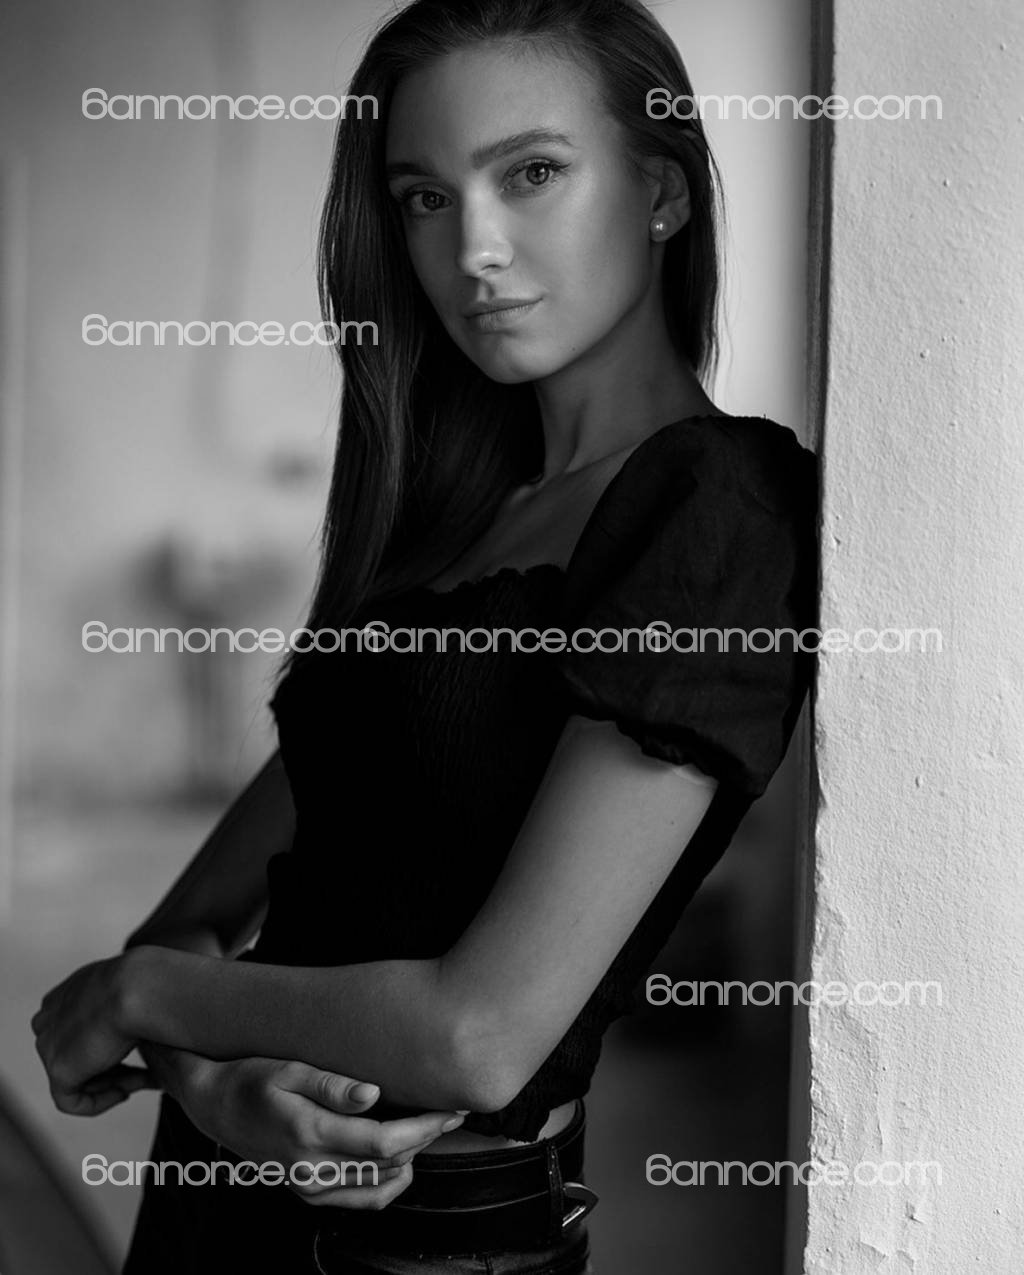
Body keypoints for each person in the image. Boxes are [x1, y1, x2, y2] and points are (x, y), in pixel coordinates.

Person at [31, 0, 818, 1270]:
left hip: (422, 1242)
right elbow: (196, 918)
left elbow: (480, 1036)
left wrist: (137, 1002)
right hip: (217, 1199)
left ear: (662, 192)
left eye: (532, 173)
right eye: (424, 198)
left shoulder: (715, 510)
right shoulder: (452, 520)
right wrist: (221, 1089)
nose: (473, 251)